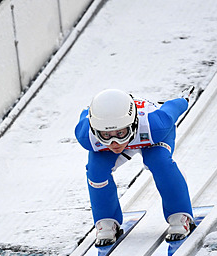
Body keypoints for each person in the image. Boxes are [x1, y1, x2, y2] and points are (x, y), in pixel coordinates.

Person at [75, 88, 195, 246]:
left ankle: (180, 214)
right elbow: (85, 113)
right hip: (136, 135)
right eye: (106, 135)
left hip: (149, 138)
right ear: (95, 131)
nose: (115, 143)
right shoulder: (86, 135)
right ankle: (106, 220)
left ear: (132, 124)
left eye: (120, 133)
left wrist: (184, 99)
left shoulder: (156, 124)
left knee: (159, 162)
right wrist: (116, 135)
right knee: (96, 172)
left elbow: (172, 107)